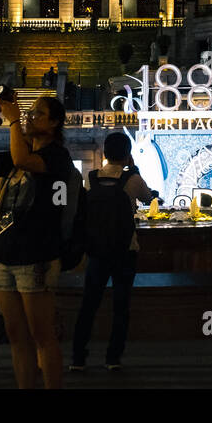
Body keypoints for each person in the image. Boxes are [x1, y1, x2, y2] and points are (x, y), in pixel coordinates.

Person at [0, 91, 72, 389]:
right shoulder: (20, 156)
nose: (29, 116)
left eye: (38, 113)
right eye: (29, 113)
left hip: (35, 257)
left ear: (54, 123)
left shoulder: (56, 157)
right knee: (16, 337)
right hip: (6, 257)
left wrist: (13, 119)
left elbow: (21, 159)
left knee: (42, 336)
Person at [71, 132, 154, 372]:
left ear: (105, 153)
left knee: (89, 304)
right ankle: (113, 358)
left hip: (97, 250)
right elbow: (148, 199)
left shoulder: (92, 178)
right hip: (125, 250)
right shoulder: (133, 179)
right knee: (121, 306)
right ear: (128, 154)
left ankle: (78, 358)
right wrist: (134, 169)